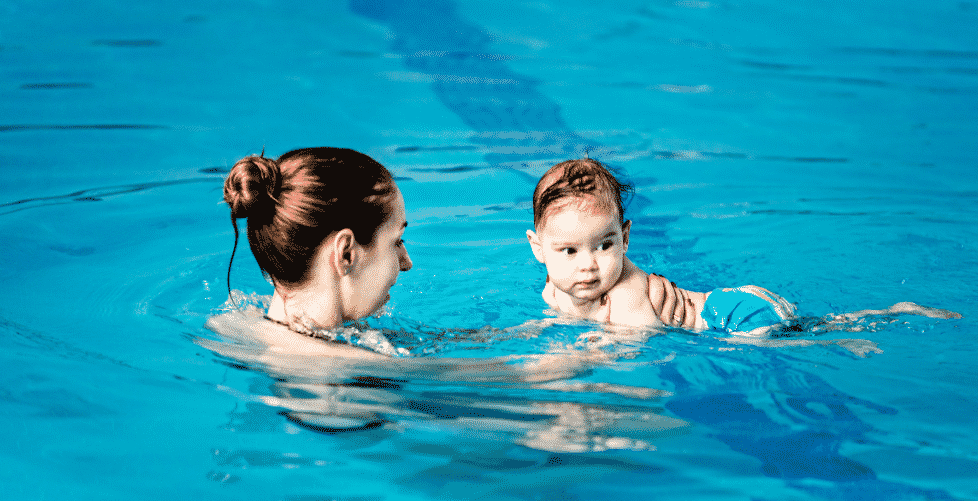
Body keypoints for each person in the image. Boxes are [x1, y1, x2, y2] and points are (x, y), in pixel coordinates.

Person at [206, 147, 681, 389]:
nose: (407, 263)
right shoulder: (343, 374)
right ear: (346, 252)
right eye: (397, 242)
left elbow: (431, 351)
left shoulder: (232, 326)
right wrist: (600, 350)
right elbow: (497, 378)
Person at [526, 158, 795, 335]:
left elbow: (641, 341)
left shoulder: (625, 294)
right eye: (570, 251)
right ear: (539, 249)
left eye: (604, 246)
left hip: (738, 314)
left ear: (625, 238)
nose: (588, 265)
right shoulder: (554, 286)